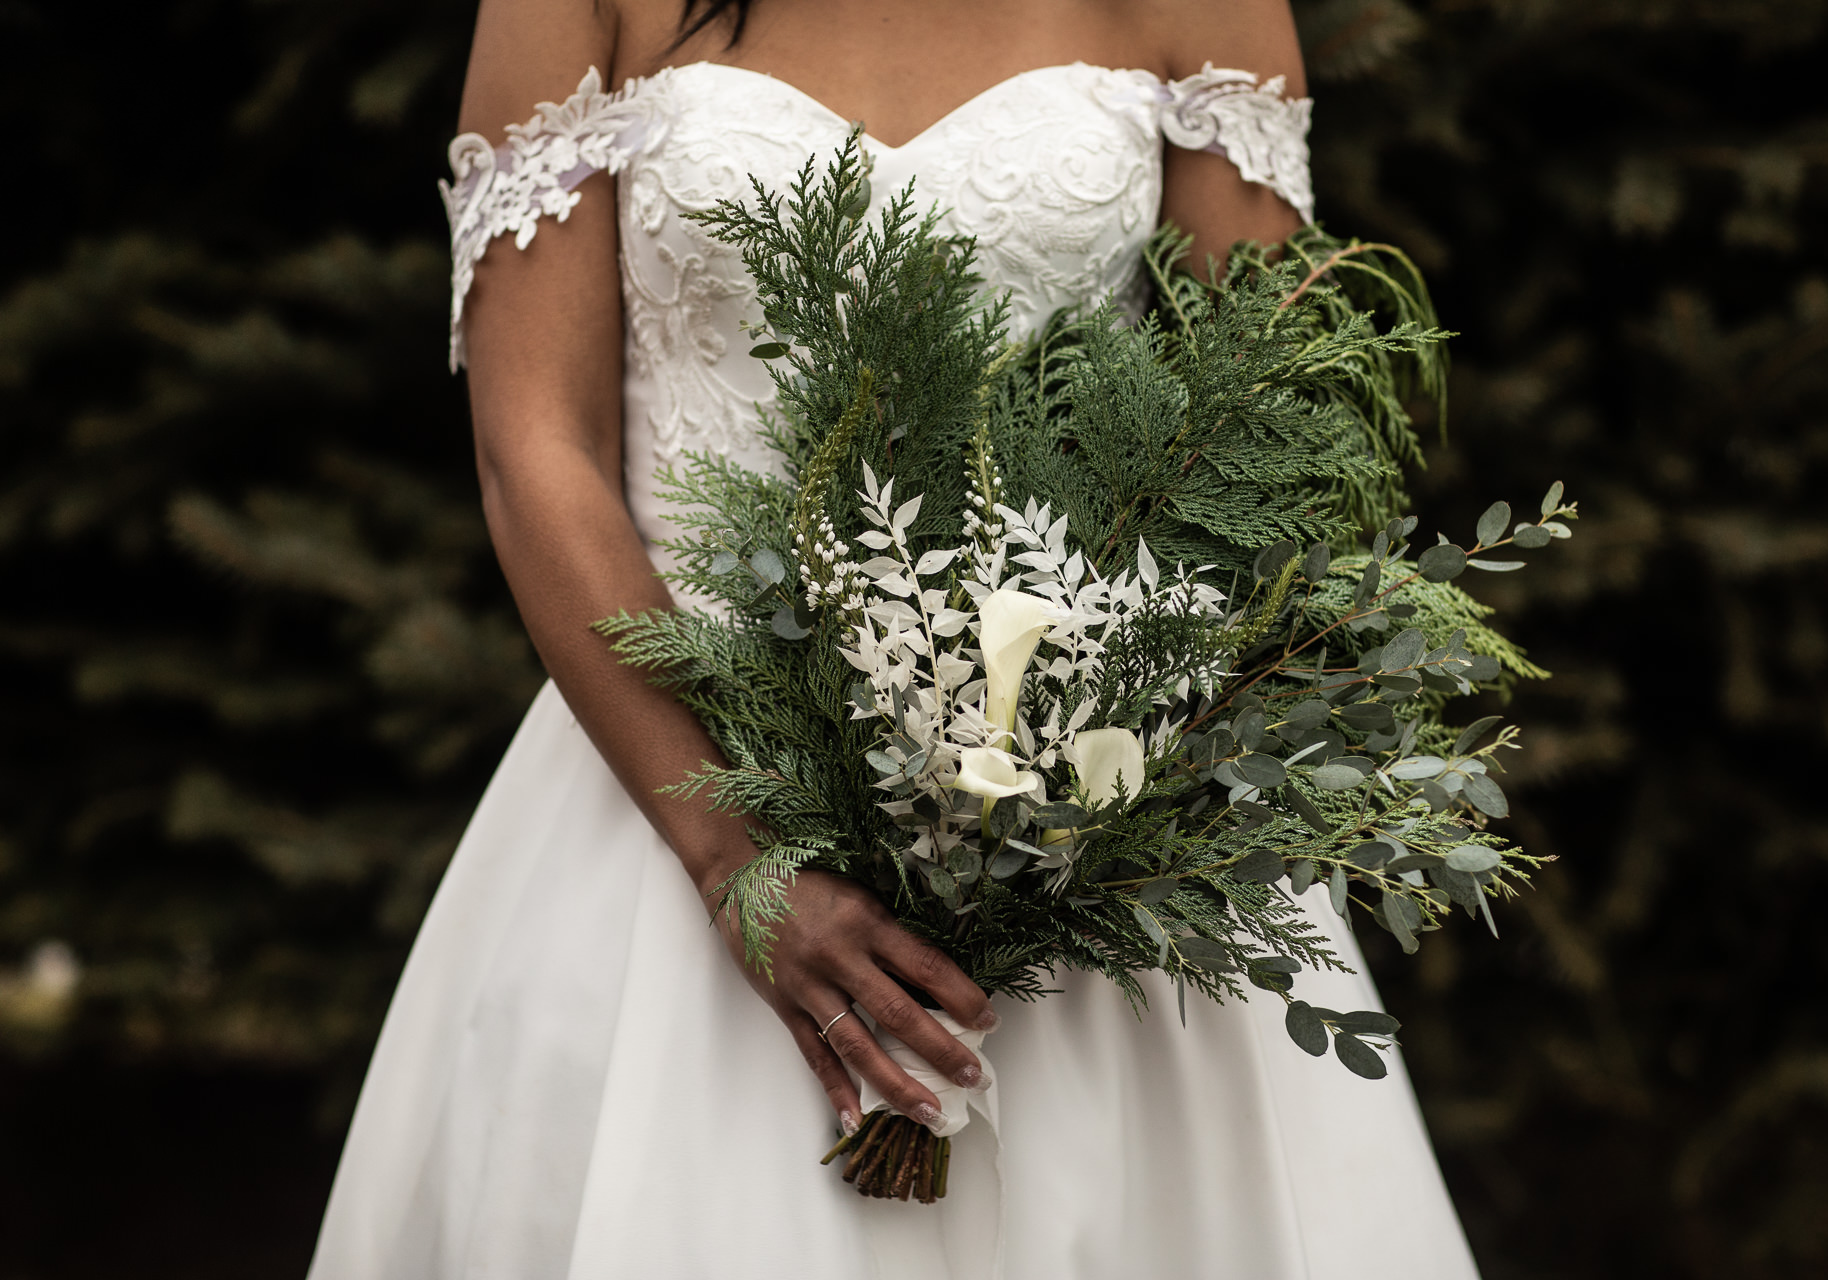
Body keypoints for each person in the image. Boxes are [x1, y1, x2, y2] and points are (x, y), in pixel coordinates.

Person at [308, 1, 1482, 1275]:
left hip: (1083, 797)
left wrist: (1072, 777)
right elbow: (538, 446)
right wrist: (737, 862)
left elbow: (1246, 411)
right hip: (681, 767)